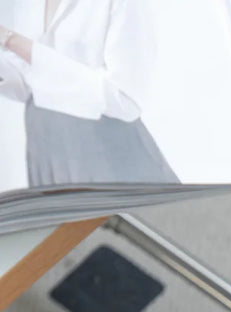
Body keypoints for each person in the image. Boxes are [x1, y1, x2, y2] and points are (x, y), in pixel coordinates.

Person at [0, 0, 179, 188]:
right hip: (47, 149)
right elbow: (32, 85)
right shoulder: (26, 4)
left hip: (104, 152)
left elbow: (126, 100)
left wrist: (13, 41)